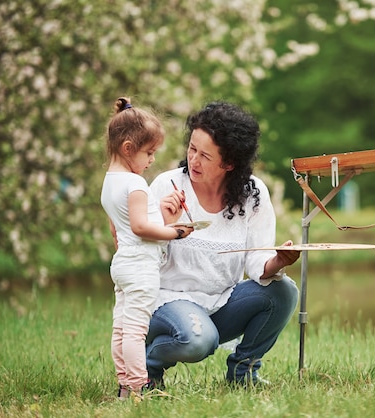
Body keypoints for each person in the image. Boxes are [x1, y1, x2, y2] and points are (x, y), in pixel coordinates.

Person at [146, 101, 300, 387]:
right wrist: (165, 226)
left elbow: (257, 263)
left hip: (222, 303)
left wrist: (280, 260)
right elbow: (142, 257)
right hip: (167, 302)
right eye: (192, 149)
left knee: (284, 291)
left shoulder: (252, 196)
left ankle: (243, 374)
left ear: (229, 163)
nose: (193, 161)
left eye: (205, 155)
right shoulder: (167, 187)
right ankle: (147, 368)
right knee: (200, 340)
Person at [100, 97, 190, 399]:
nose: (151, 160)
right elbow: (140, 227)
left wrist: (164, 219)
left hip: (123, 263)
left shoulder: (110, 183)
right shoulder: (136, 184)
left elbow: (121, 227)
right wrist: (173, 233)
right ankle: (140, 386)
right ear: (128, 148)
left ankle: (125, 385)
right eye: (148, 152)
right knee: (136, 331)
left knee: (121, 328)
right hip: (140, 267)